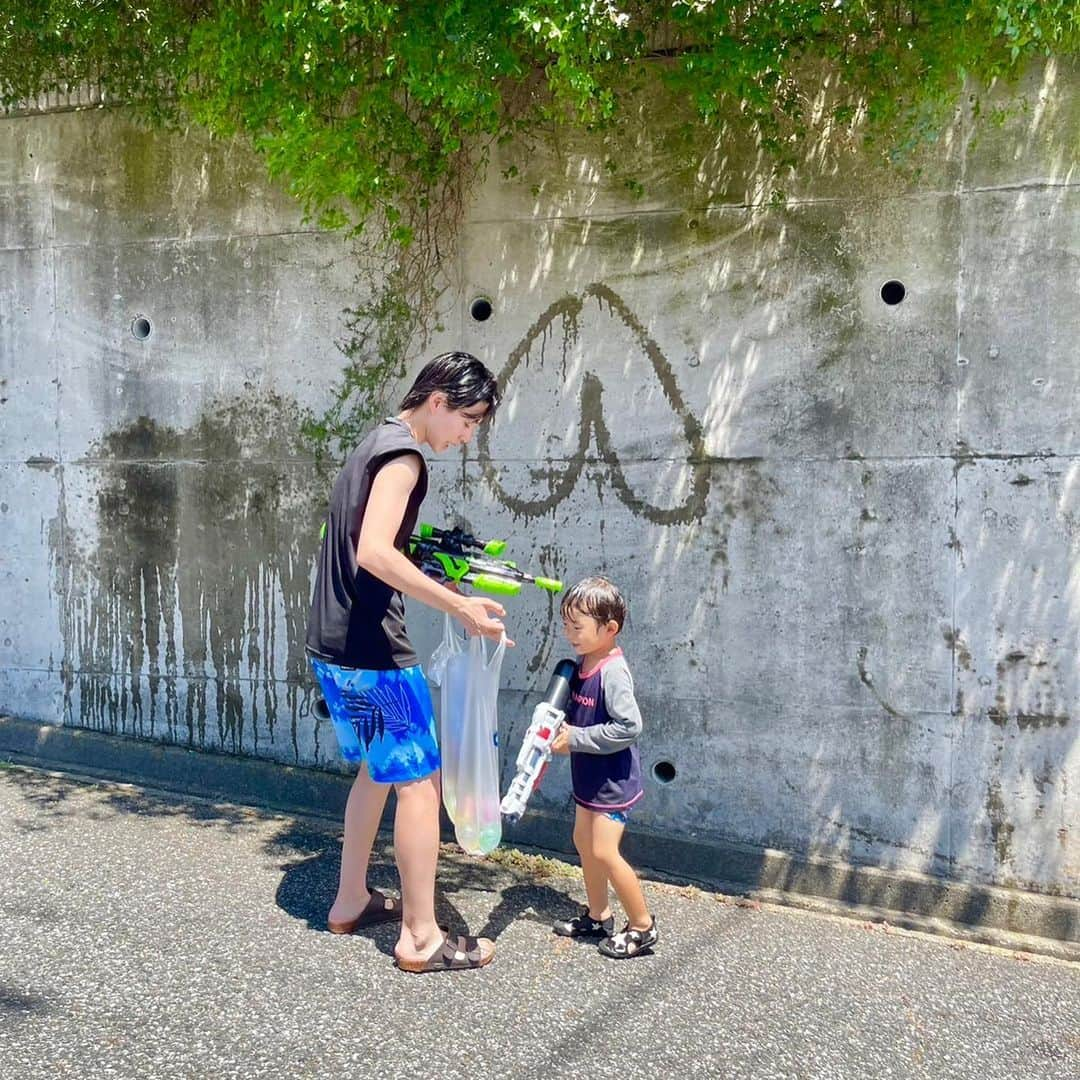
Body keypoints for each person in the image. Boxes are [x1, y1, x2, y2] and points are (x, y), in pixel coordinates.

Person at [305, 351, 511, 973]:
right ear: (440, 400)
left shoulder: (376, 441)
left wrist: (443, 579)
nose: (468, 435)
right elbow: (373, 552)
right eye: (469, 420)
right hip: (374, 651)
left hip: (332, 642)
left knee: (377, 768)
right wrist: (461, 608)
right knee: (420, 782)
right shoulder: (405, 457)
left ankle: (349, 900)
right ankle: (421, 937)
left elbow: (365, 542)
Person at [550, 576, 658, 959]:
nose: (569, 634)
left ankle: (643, 926)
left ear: (609, 629)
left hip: (613, 781)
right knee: (584, 842)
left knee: (605, 851)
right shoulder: (585, 661)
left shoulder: (612, 671)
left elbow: (629, 726)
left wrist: (575, 739)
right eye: (566, 625)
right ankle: (599, 915)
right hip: (589, 777)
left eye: (577, 627)